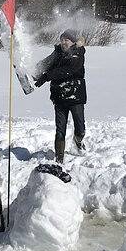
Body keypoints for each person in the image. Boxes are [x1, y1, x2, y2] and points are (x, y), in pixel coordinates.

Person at [34, 29, 86, 164]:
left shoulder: (78, 53)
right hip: (59, 96)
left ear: (73, 42)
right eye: (62, 39)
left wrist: (47, 76)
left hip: (76, 96)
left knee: (80, 129)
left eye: (66, 40)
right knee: (60, 129)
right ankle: (59, 158)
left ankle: (78, 140)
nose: (63, 42)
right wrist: (31, 70)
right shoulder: (57, 53)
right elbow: (44, 64)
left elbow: (68, 70)